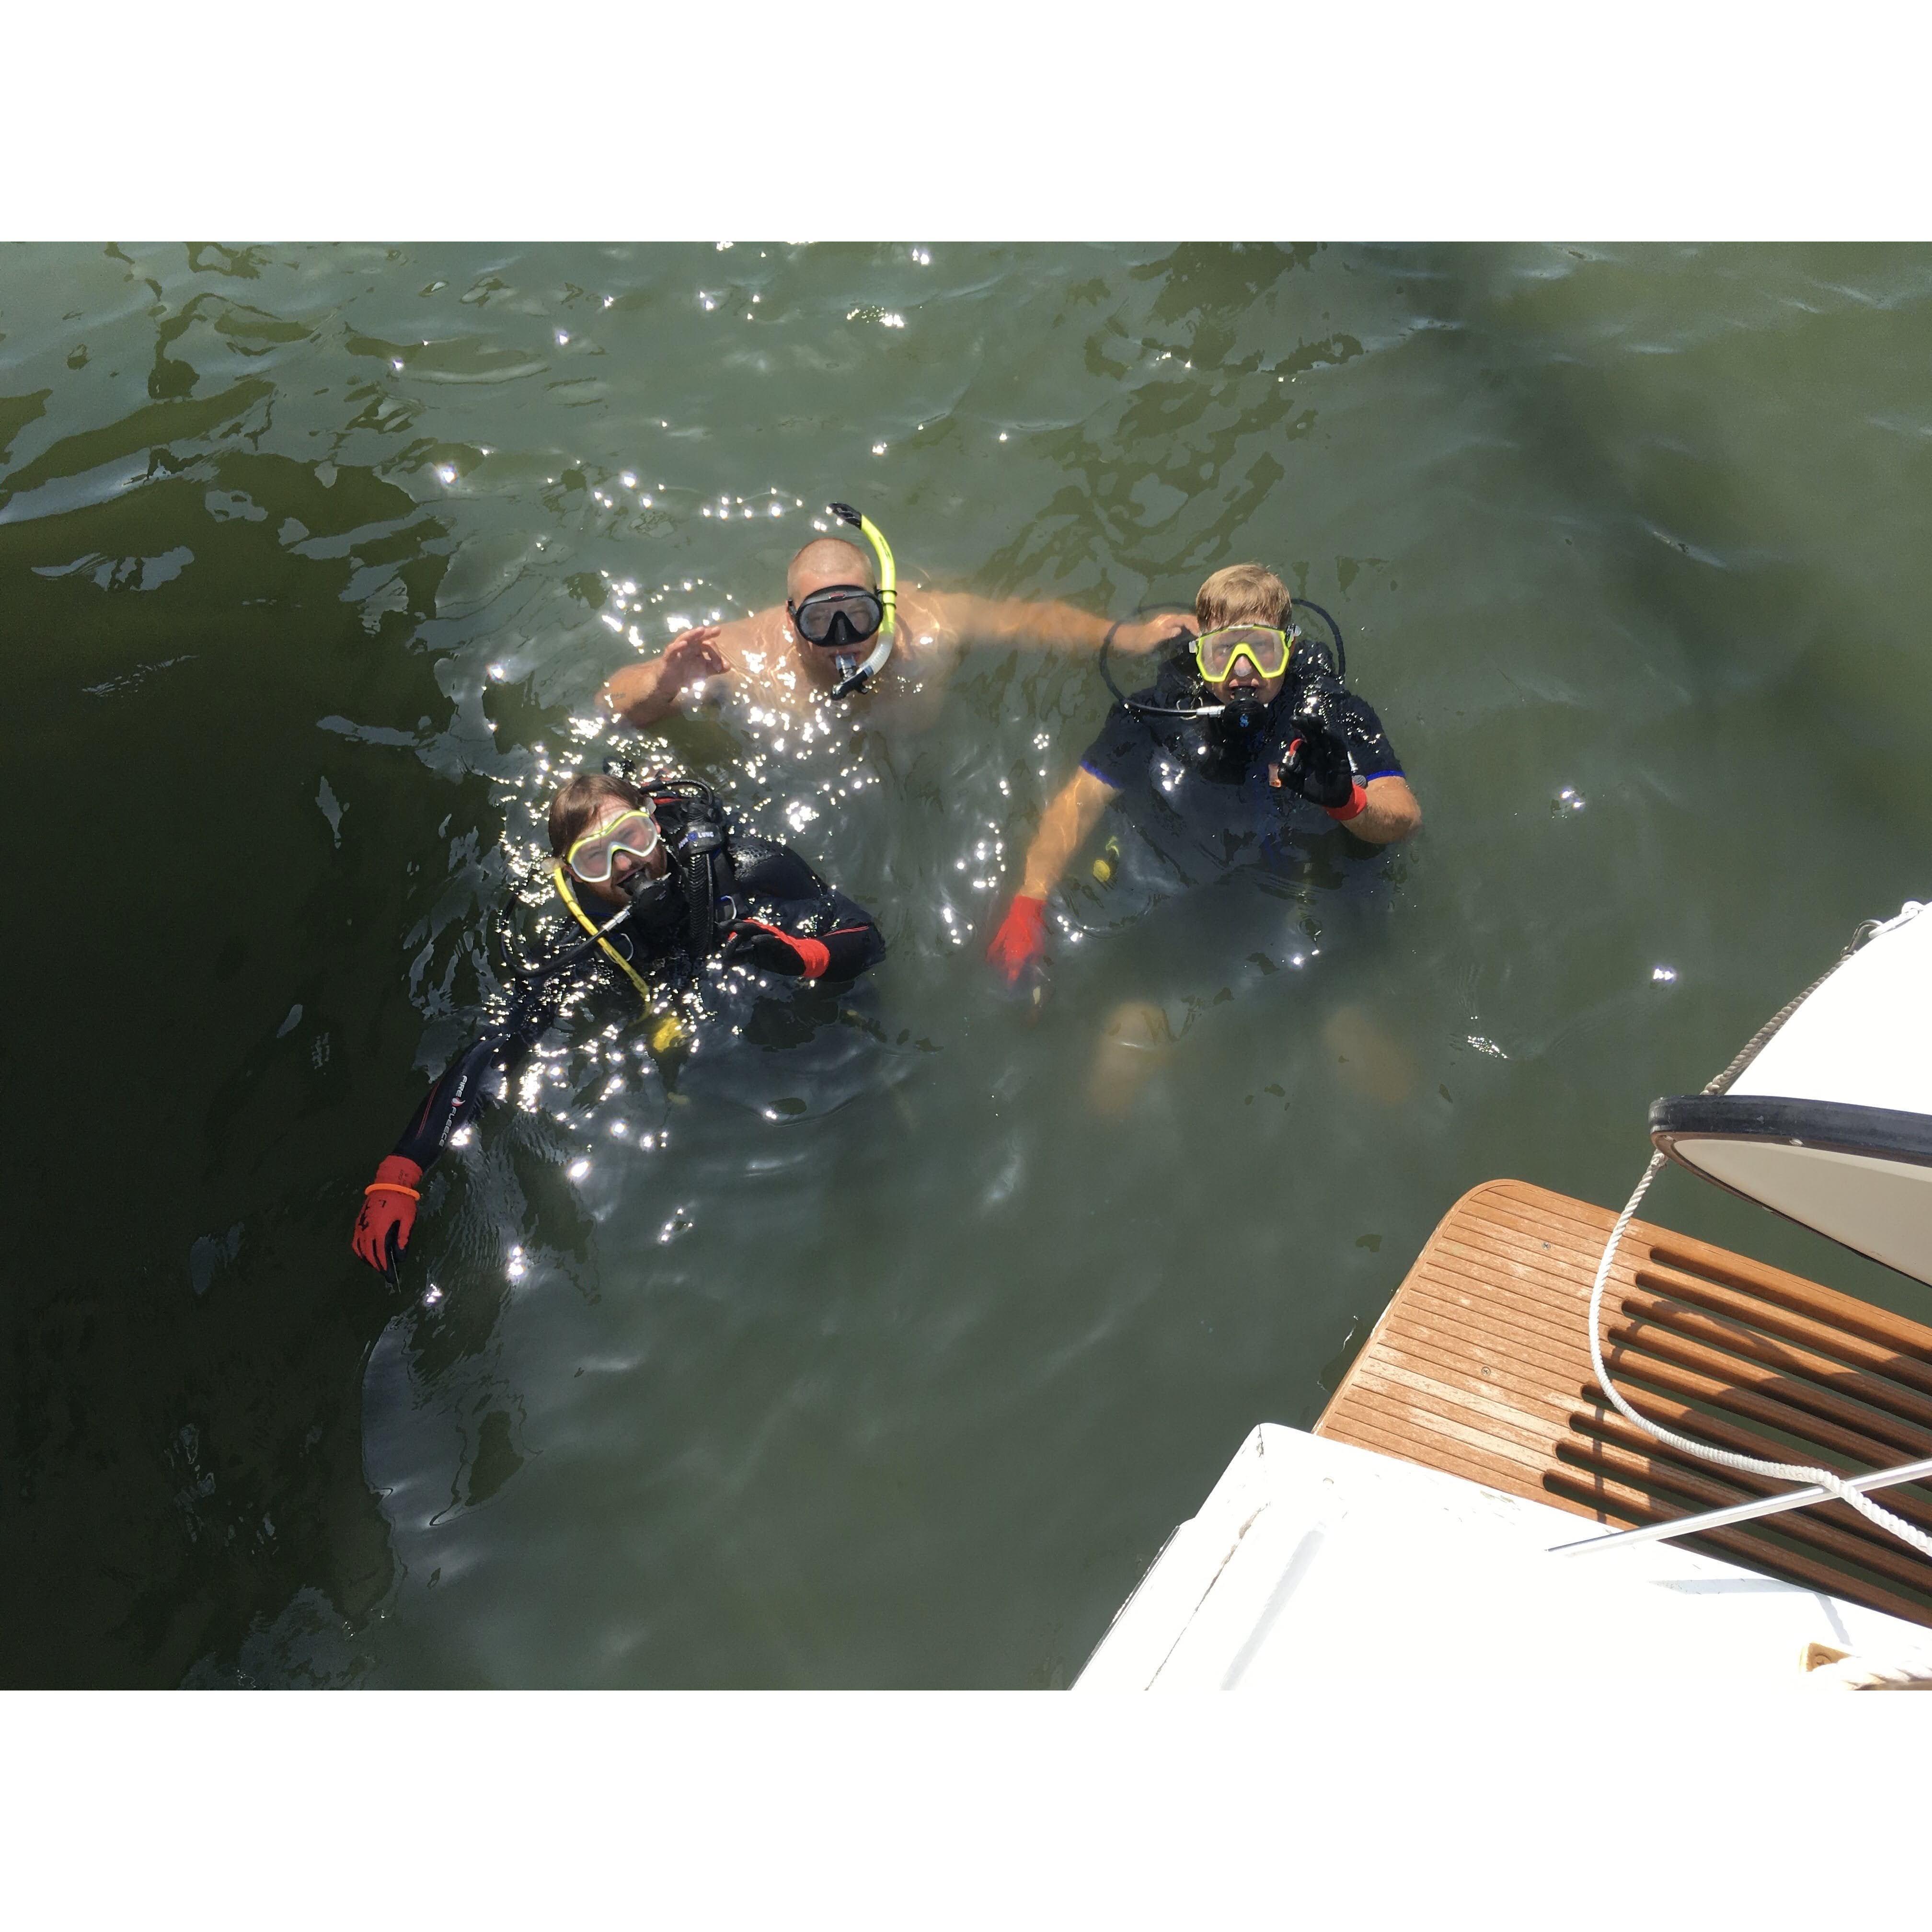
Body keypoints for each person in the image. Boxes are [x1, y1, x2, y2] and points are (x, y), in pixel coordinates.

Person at [350, 770, 886, 1276]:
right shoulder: (576, 948)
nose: (626, 863)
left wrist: (804, 956)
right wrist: (403, 1171)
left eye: (631, 836)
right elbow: (499, 1049)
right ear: (571, 875)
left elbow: (867, 937)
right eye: (596, 857)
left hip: (812, 1042)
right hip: (713, 1091)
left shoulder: (748, 868)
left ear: (652, 821)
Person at [984, 562, 1421, 991]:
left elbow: (1406, 816)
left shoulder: (1329, 715)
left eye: (1262, 649)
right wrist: (1030, 899)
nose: (1244, 673)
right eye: (1224, 652)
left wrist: (1347, 801)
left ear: (1288, 648)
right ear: (1200, 655)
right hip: (1194, 895)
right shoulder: (1154, 716)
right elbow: (1080, 801)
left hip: (1305, 887)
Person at [596, 502, 1191, 729]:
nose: (841, 640)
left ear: (883, 604)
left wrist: (1128, 637)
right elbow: (613, 704)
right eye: (819, 622)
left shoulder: (930, 622)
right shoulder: (743, 654)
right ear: (790, 618)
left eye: (856, 615)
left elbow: (1031, 621)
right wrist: (664, 682)